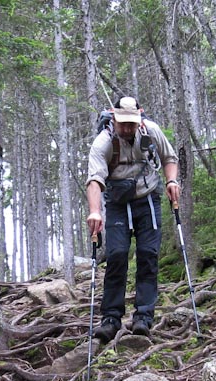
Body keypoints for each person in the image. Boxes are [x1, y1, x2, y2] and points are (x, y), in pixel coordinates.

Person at [86, 96, 180, 342]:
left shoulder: (151, 131)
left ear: (139, 118)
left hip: (147, 199)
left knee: (148, 255)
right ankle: (110, 319)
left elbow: (169, 158)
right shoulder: (103, 142)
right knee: (117, 255)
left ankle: (143, 318)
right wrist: (95, 211)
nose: (127, 128)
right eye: (123, 123)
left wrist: (171, 181)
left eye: (131, 123)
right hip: (117, 204)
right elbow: (95, 179)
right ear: (114, 118)